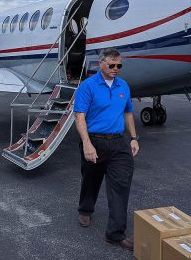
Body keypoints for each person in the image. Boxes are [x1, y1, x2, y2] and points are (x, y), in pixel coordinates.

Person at [73, 48, 139, 251]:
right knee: (91, 180)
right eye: (112, 65)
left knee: (120, 187)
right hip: (95, 141)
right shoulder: (88, 86)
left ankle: (115, 234)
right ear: (101, 63)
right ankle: (85, 208)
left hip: (119, 143)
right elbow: (80, 116)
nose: (115, 69)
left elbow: (128, 113)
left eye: (119, 65)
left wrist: (134, 138)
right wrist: (87, 144)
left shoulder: (123, 86)